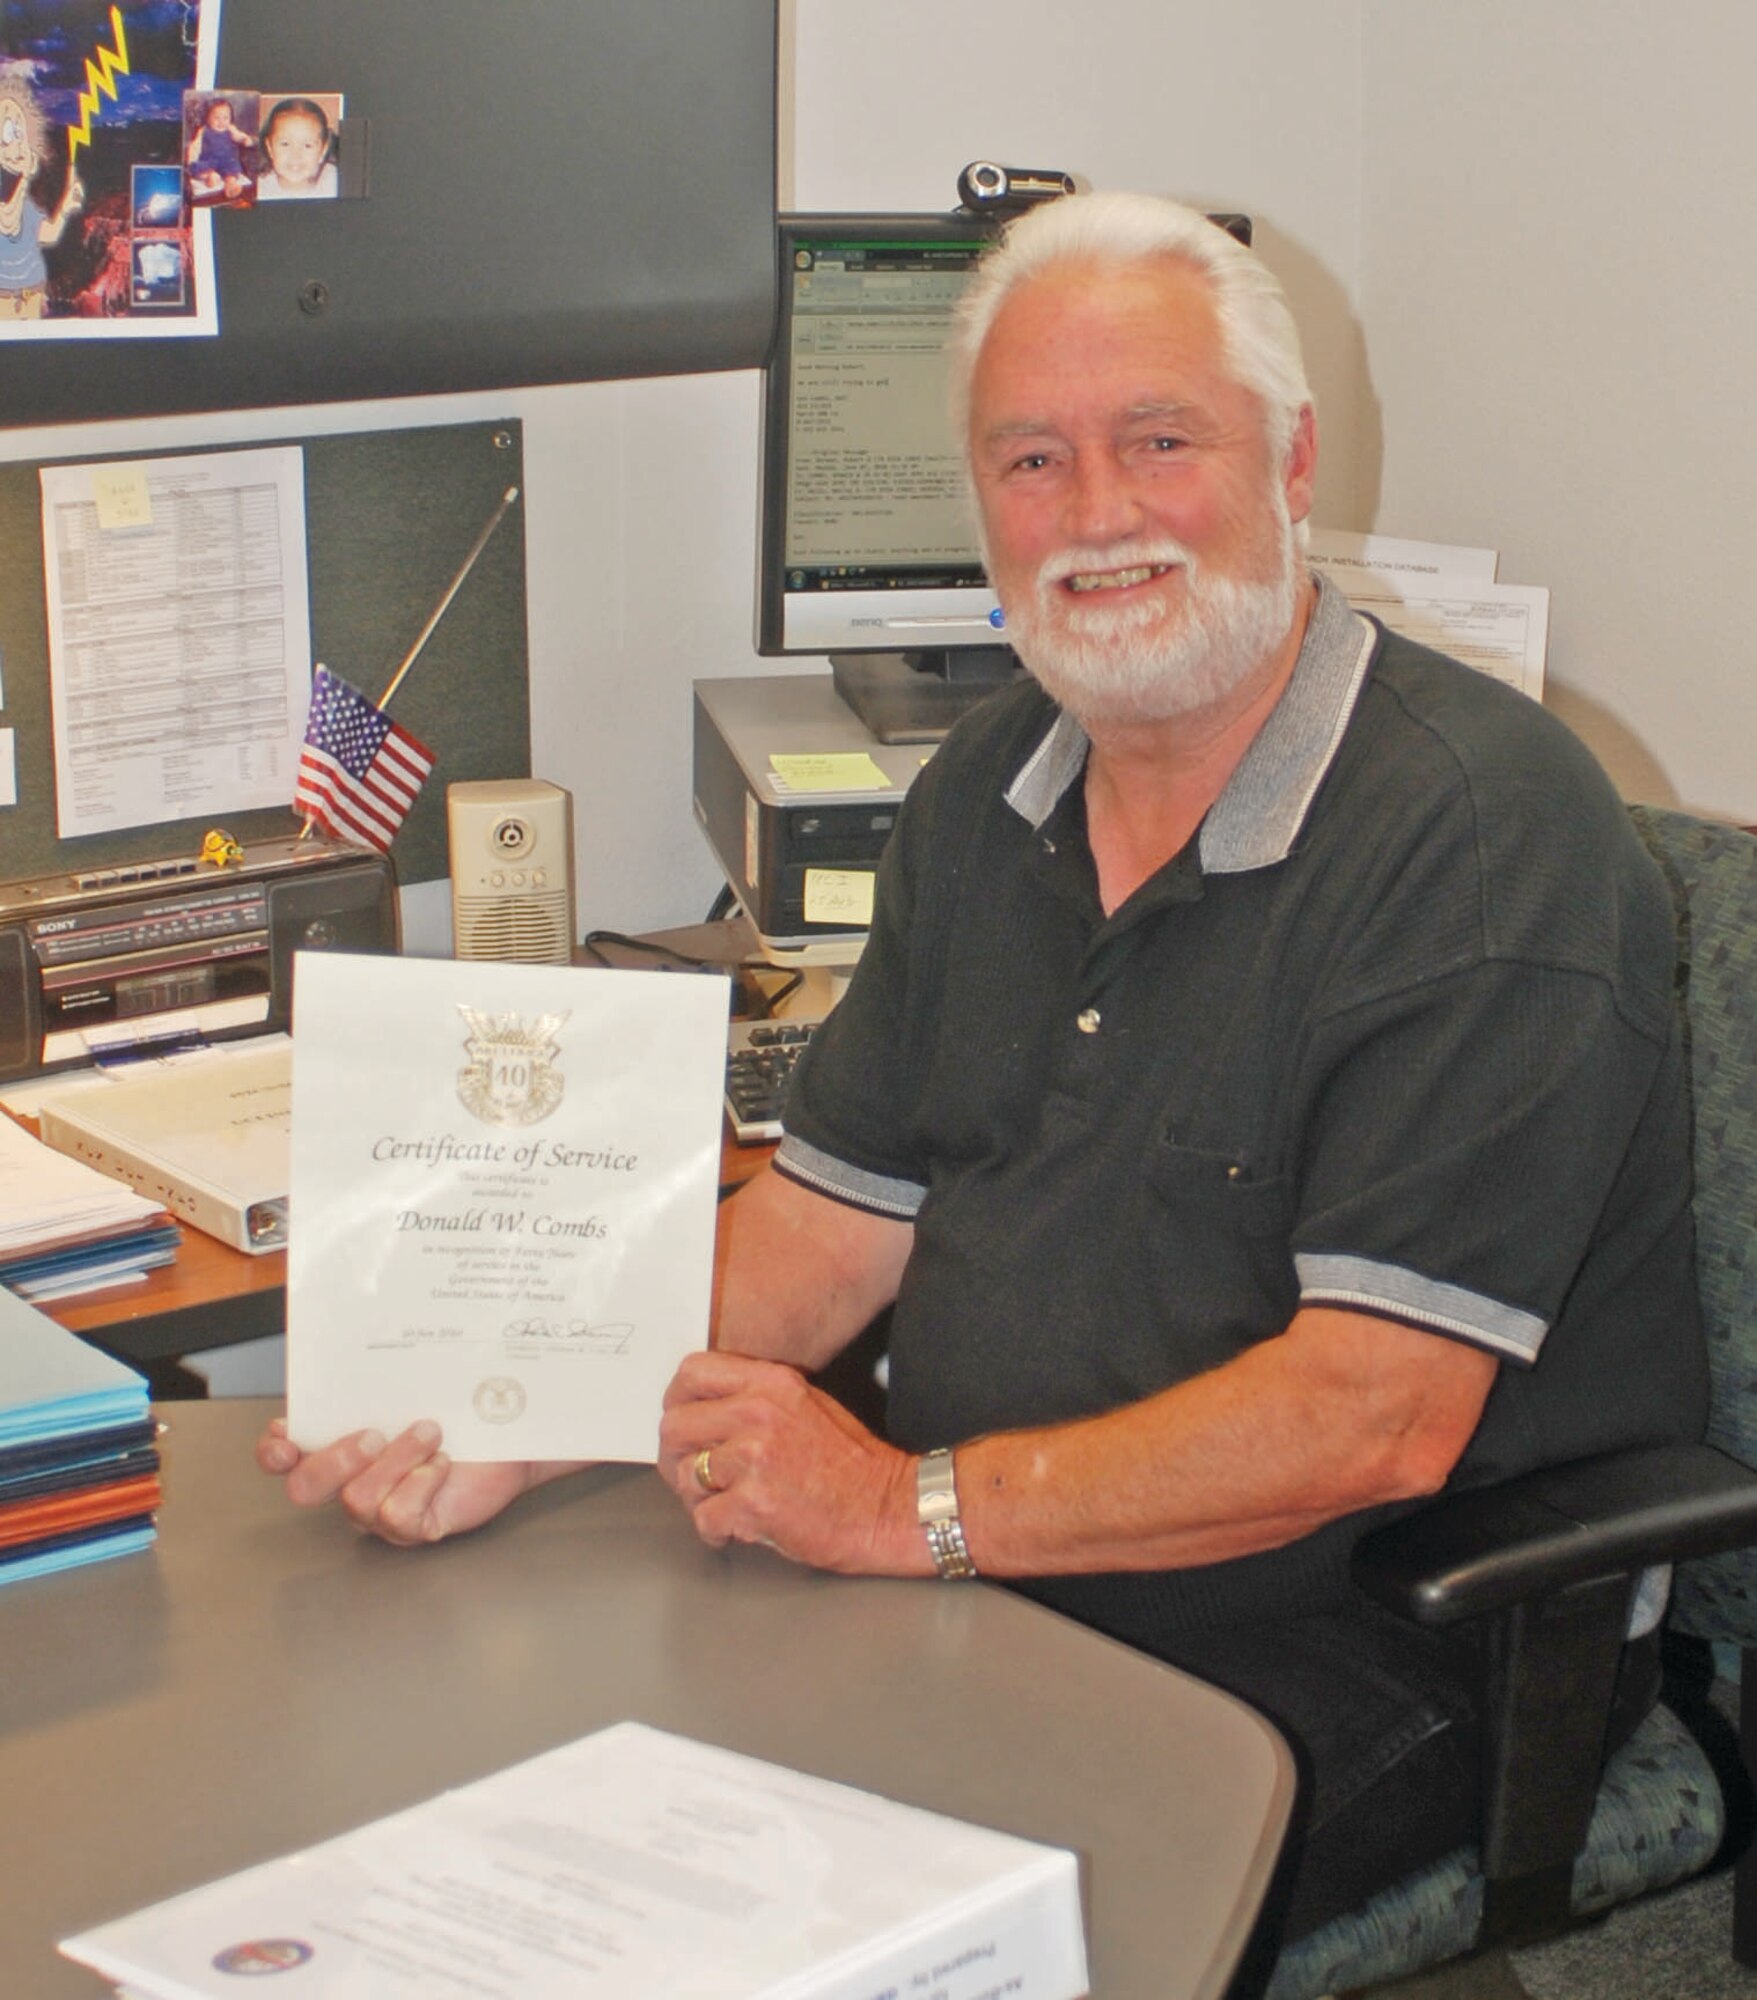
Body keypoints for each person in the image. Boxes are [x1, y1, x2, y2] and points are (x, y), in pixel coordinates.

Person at [259, 192, 1708, 1964]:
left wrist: (890, 1506)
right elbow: (823, 1231)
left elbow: (1369, 1419)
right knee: (516, 1797)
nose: (1094, 515)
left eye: (1156, 441)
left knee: (861, 1941)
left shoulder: (1483, 839)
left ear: (1292, 460)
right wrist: (512, 1410)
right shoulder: (987, 794)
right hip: (997, 1567)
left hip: (1350, 1631)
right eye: (1031, 461)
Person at [0, 67, 83, 318]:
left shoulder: (27, 209)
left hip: (33, 298)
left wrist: (66, 206)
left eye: (19, 133)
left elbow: (46, 234)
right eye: (8, 133)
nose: (17, 145)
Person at [256, 97, 338, 201]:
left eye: (307, 145)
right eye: (285, 144)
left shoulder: (335, 183)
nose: (295, 155)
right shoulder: (259, 189)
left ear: (323, 150)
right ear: (270, 148)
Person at [186, 96, 251, 204]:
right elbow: (195, 145)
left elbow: (238, 136)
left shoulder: (231, 128)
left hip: (226, 161)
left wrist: (244, 139)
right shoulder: (203, 130)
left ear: (230, 118)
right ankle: (209, 177)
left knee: (232, 170)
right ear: (207, 118)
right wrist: (192, 156)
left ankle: (231, 185)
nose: (221, 122)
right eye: (217, 117)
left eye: (225, 118)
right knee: (199, 168)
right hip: (208, 160)